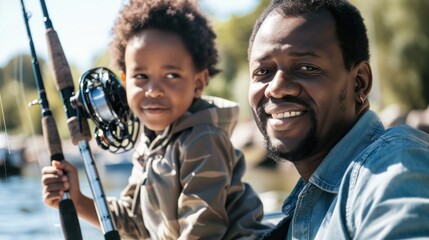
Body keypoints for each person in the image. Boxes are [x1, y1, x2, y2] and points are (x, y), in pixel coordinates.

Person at [41, 0, 271, 239]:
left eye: (171, 75)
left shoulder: (203, 139)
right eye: (141, 76)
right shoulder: (150, 142)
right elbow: (135, 224)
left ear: (199, 82)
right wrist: (77, 200)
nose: (153, 90)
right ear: (124, 81)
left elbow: (202, 229)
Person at [247, 0, 429, 239]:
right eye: (263, 72)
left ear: (359, 82)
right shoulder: (307, 204)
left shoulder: (392, 164)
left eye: (306, 67)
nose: (276, 88)